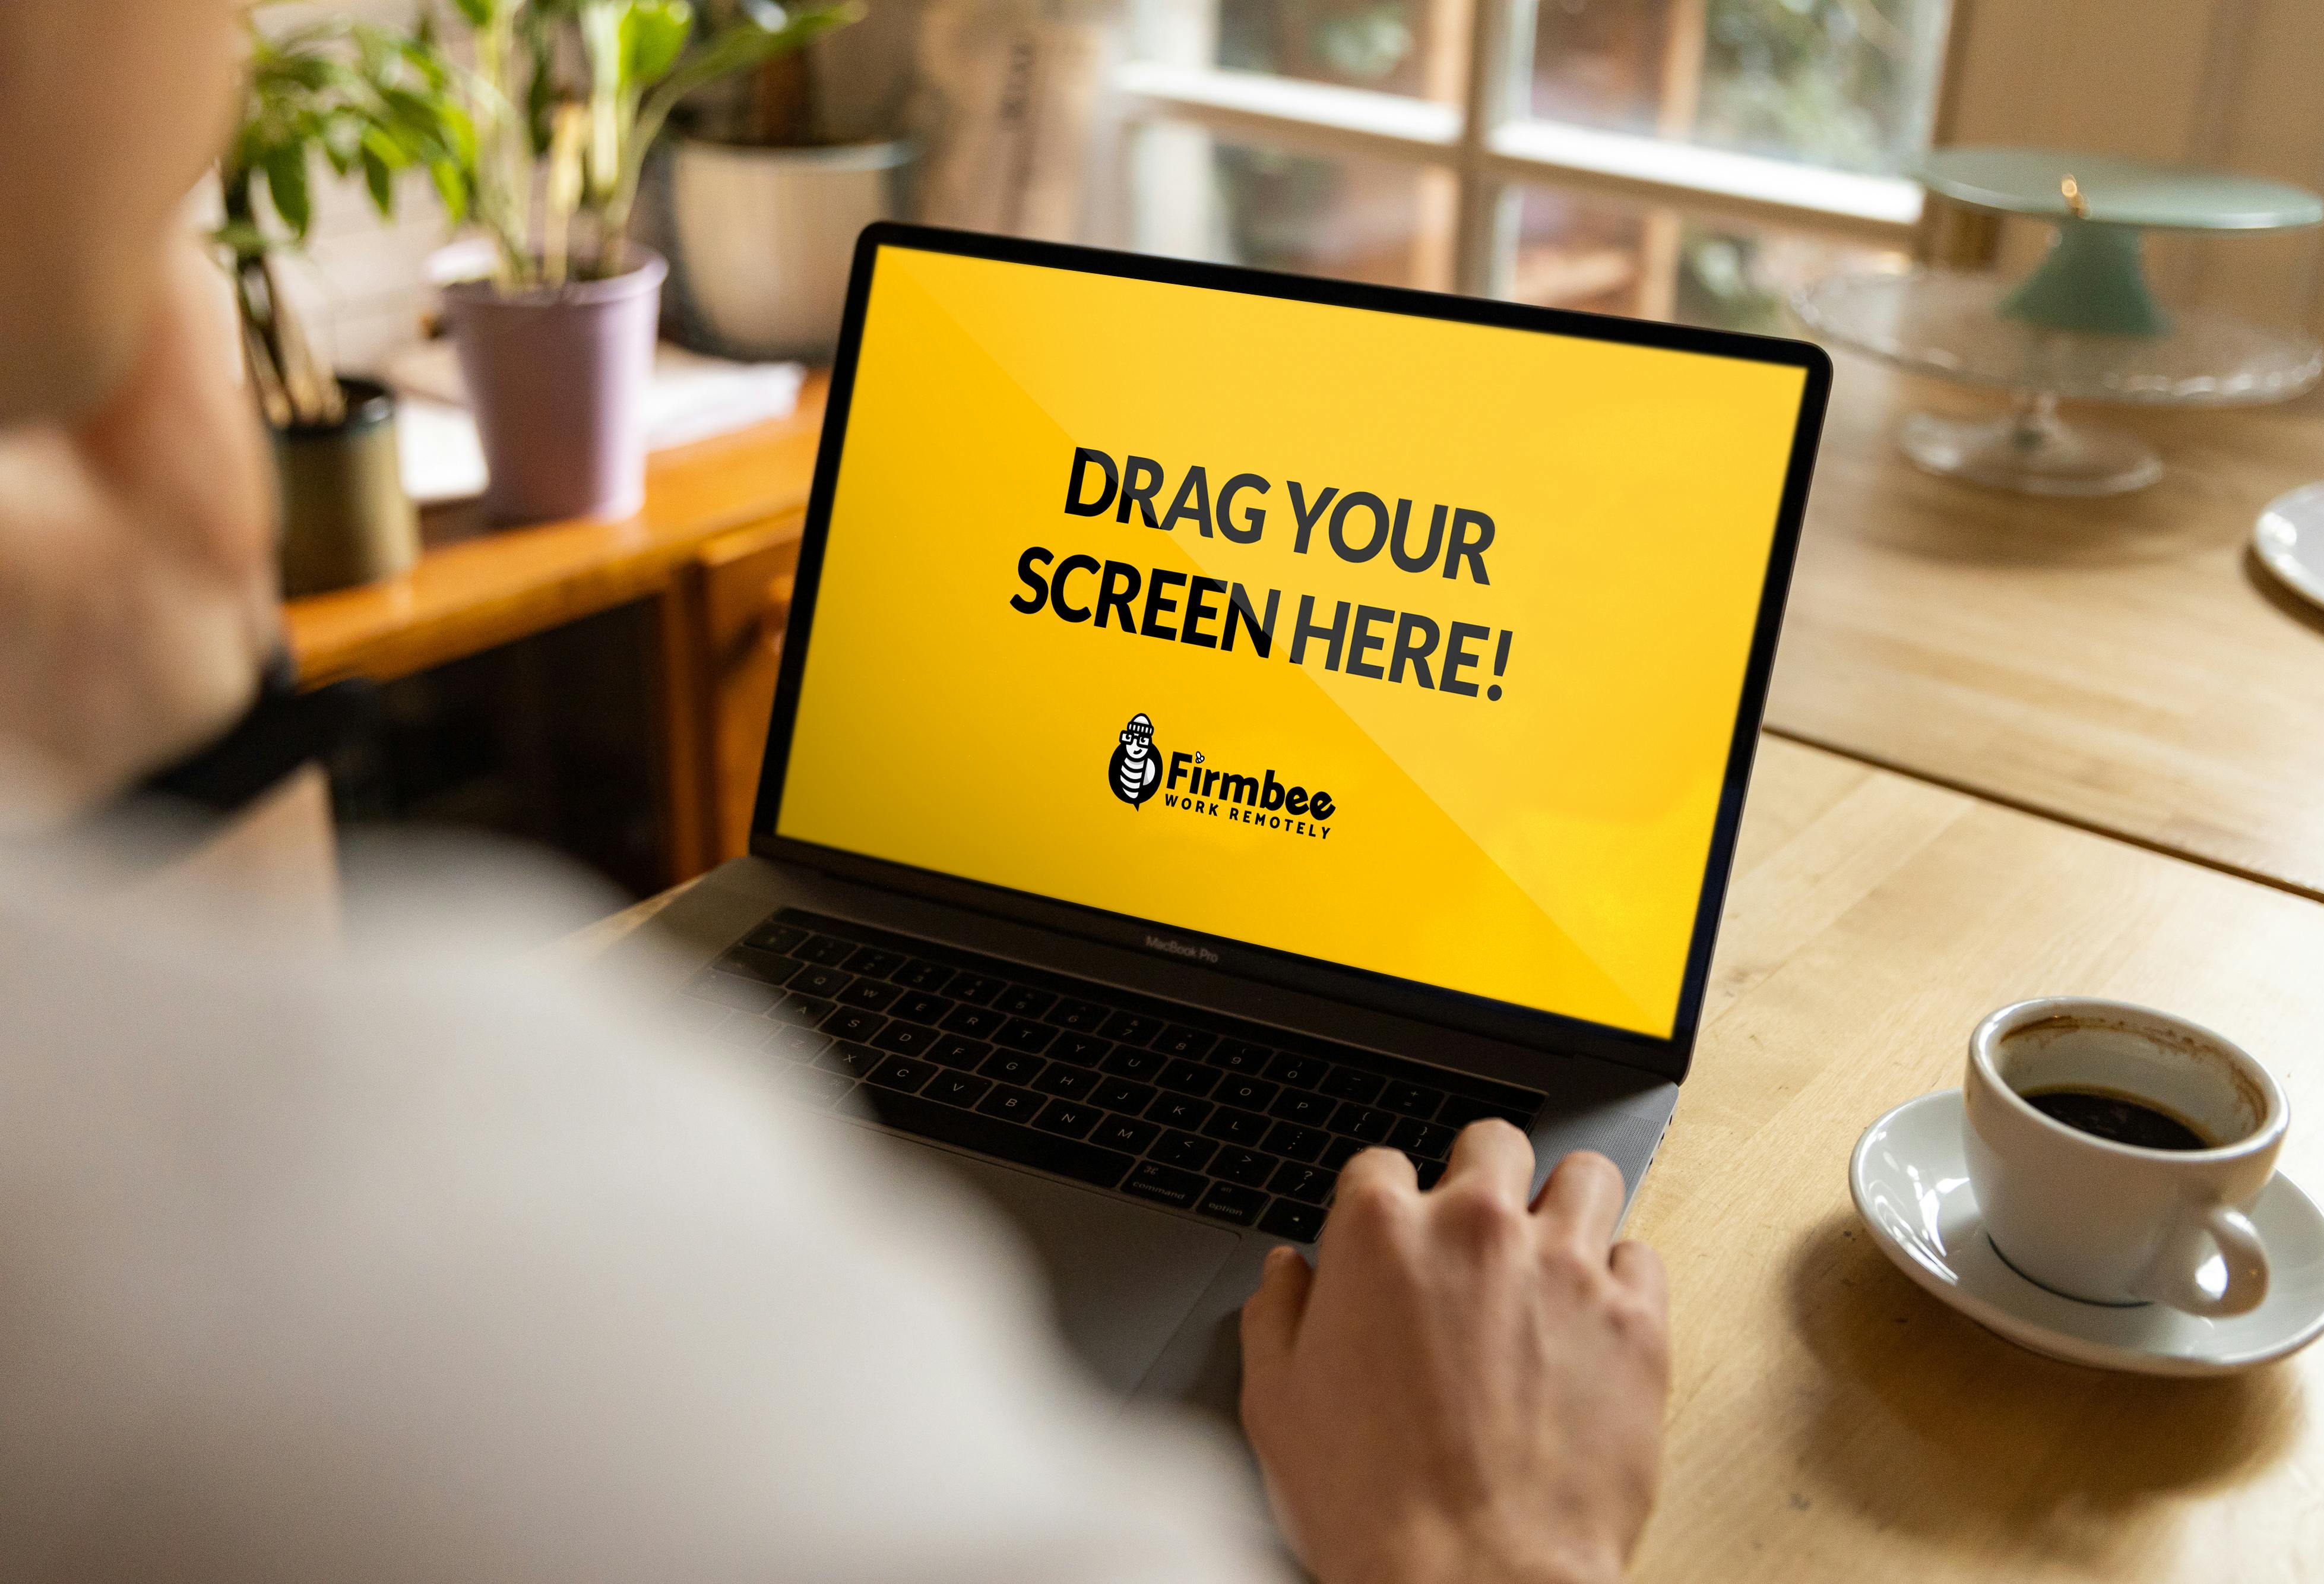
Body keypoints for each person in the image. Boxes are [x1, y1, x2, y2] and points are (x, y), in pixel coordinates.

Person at [0, 4, 1671, 1580]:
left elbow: (217, 1070)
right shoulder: (449, 1237)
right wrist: (1493, 1531)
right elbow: (263, 1170)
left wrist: (184, 740)